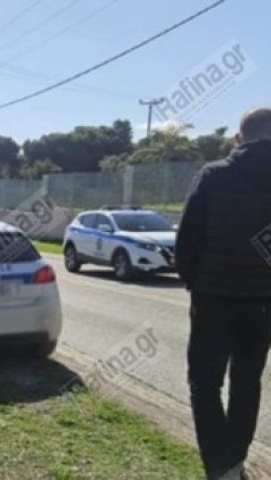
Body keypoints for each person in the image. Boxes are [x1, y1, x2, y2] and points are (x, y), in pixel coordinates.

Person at [176, 107, 271, 480]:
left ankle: (221, 466)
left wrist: (194, 283)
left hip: (213, 298)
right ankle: (234, 464)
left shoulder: (212, 176)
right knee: (247, 383)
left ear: (238, 138)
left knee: (204, 383)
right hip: (263, 303)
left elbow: (186, 241)